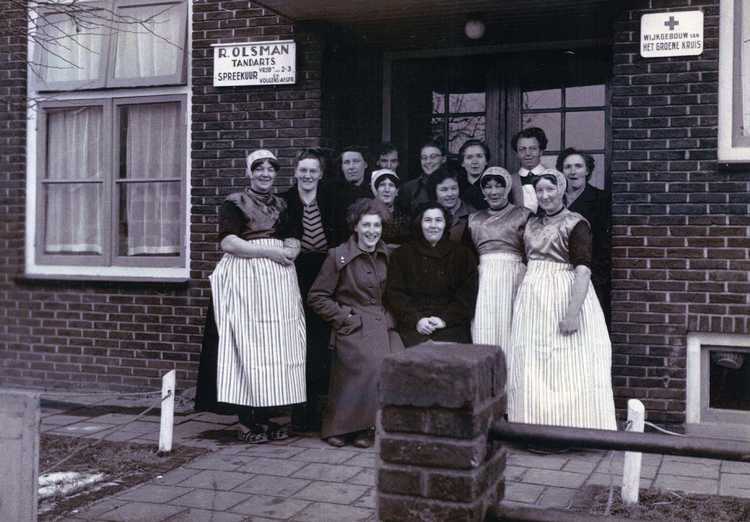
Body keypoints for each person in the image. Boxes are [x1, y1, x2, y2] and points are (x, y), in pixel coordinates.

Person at [195, 149, 306, 443]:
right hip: (246, 276)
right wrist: (269, 251)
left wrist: (291, 250)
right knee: (248, 344)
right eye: (259, 168)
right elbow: (229, 243)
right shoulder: (234, 202)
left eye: (271, 168)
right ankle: (248, 421)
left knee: (282, 344)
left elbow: (295, 236)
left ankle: (279, 416)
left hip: (279, 279)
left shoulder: (284, 203)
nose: (265, 174)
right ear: (249, 172)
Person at [507, 168, 616, 431]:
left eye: (550, 189)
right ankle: (535, 428)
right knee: (534, 362)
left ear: (562, 190)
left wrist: (572, 313)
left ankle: (569, 430)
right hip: (534, 297)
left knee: (565, 363)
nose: (545, 195)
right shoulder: (531, 223)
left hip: (563, 294)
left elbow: (583, 269)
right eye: (540, 190)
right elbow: (526, 262)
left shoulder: (575, 223)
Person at [308, 199, 404, 448]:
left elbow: (400, 292)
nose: (372, 231)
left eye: (377, 225)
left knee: (394, 361)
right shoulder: (338, 256)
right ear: (356, 228)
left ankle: (369, 427)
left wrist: (392, 317)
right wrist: (344, 318)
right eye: (367, 225)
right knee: (366, 362)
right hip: (353, 323)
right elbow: (317, 297)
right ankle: (340, 427)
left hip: (383, 324)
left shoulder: (390, 254)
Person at [281, 149, 338, 432]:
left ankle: (315, 407)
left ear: (320, 174)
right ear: (296, 172)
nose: (307, 175)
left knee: (318, 341)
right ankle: (297, 409)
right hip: (294, 272)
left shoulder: (330, 198)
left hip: (325, 271)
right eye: (303, 170)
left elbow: (338, 236)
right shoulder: (285, 200)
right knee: (296, 339)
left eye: (312, 171)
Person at [386, 201, 478, 348]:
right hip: (414, 326)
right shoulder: (402, 255)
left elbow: (467, 295)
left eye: (438, 220)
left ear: (445, 223)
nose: (433, 225)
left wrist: (444, 320)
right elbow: (395, 294)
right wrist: (417, 320)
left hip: (451, 326)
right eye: (428, 220)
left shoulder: (462, 255)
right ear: (419, 223)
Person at [468, 167, 531, 353]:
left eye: (498, 186)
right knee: (484, 326)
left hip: (515, 275)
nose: (493, 191)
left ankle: (512, 381)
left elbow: (532, 249)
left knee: (512, 328)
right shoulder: (474, 219)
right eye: (488, 186)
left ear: (507, 188)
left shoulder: (524, 215)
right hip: (484, 277)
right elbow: (468, 255)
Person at [556, 148, 612, 323]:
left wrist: (594, 275)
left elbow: (604, 244)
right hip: (558, 276)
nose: (573, 172)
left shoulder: (601, 199)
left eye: (578, 166)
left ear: (587, 170)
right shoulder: (554, 199)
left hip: (589, 275)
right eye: (568, 167)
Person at [397, 140, 447, 216]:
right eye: (424, 158)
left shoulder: (453, 185)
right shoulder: (409, 188)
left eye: (433, 157)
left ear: (443, 159)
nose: (428, 161)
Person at [426, 167, 475, 242]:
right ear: (434, 191)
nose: (450, 194)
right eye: (444, 190)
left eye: (454, 188)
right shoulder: (426, 214)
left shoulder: (473, 215)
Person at [511, 127, 549, 214]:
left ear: (541, 151)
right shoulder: (510, 181)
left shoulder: (554, 177)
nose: (527, 153)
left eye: (533, 148)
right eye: (522, 149)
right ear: (516, 153)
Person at [371, 168, 410, 247]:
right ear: (376, 190)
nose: (387, 189)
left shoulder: (405, 215)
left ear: (396, 192)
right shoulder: (367, 214)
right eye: (382, 185)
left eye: (391, 185)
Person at [458, 139, 490, 210]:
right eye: (469, 157)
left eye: (479, 156)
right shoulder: (456, 186)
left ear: (486, 161)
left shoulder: (494, 186)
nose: (474, 161)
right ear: (462, 163)